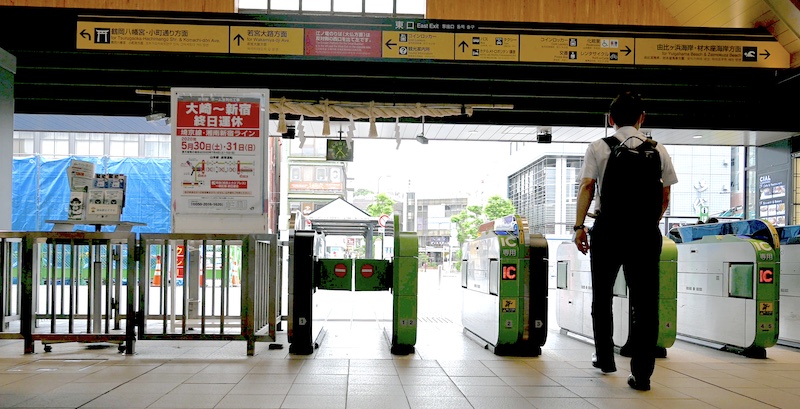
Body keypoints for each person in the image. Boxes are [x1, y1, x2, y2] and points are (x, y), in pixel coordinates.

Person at [573, 92, 678, 391]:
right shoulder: (658, 151)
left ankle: (605, 359)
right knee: (646, 302)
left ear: (610, 119)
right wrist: (650, 223)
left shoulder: (599, 147)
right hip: (644, 232)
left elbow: (587, 187)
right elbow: (665, 194)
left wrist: (580, 227)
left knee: (602, 295)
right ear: (642, 117)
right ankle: (642, 374)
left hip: (608, 229)